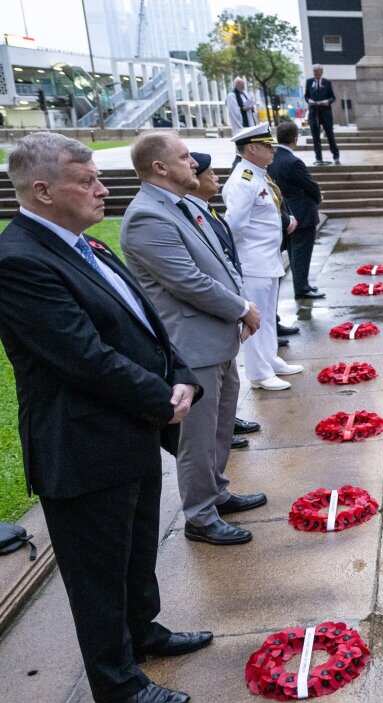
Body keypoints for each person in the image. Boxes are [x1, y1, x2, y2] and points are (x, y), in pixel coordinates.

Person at [0, 132, 209, 703]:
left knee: (137, 548)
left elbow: (141, 326)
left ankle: (143, 632)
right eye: (86, 179)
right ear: (42, 191)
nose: (102, 188)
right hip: (84, 445)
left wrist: (182, 373)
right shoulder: (19, 260)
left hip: (130, 431)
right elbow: (82, 356)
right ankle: (116, 682)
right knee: (98, 573)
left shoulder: (87, 246)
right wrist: (162, 398)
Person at [120, 131, 267, 546]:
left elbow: (220, 261)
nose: (194, 164)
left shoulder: (182, 205)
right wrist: (241, 308)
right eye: (185, 158)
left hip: (216, 336)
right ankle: (200, 516)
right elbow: (188, 281)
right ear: (160, 167)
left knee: (220, 427)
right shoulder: (148, 216)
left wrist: (237, 307)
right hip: (192, 342)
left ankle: (216, 492)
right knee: (197, 437)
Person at [186, 152, 261, 450]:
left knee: (227, 382)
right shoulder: (187, 213)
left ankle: (227, 421)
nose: (216, 177)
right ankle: (222, 427)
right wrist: (240, 307)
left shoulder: (206, 211)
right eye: (209, 172)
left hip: (227, 304)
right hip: (209, 314)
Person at [223, 122, 304, 391]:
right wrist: (237, 262)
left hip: (268, 259)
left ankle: (270, 360)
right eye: (267, 146)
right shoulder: (243, 180)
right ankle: (258, 373)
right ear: (252, 148)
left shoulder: (258, 175)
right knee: (255, 319)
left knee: (268, 315)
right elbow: (234, 226)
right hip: (253, 262)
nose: (272, 151)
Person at [269, 120, 325, 300]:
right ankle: (302, 288)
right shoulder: (293, 161)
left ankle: (301, 285)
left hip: (286, 212)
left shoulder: (273, 158)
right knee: (302, 252)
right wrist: (318, 198)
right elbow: (309, 185)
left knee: (294, 252)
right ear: (295, 138)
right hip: (301, 212)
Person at [304, 64, 341, 165]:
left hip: (325, 112)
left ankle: (336, 156)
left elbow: (333, 97)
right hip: (313, 112)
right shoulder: (309, 82)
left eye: (318, 71)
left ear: (321, 72)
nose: (316, 73)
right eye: (314, 72)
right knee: (315, 137)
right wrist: (309, 101)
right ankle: (318, 158)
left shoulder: (327, 83)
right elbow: (306, 96)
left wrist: (327, 101)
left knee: (330, 135)